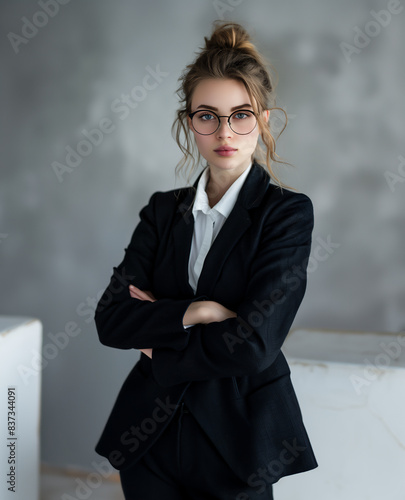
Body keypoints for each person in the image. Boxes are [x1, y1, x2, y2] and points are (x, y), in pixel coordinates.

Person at [94, 21, 318, 500]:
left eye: (240, 115)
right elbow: (111, 320)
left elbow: (256, 342)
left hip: (239, 439)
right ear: (188, 122)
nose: (224, 132)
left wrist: (161, 342)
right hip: (148, 439)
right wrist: (195, 312)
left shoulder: (286, 214)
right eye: (207, 116)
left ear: (263, 119)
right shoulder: (162, 210)